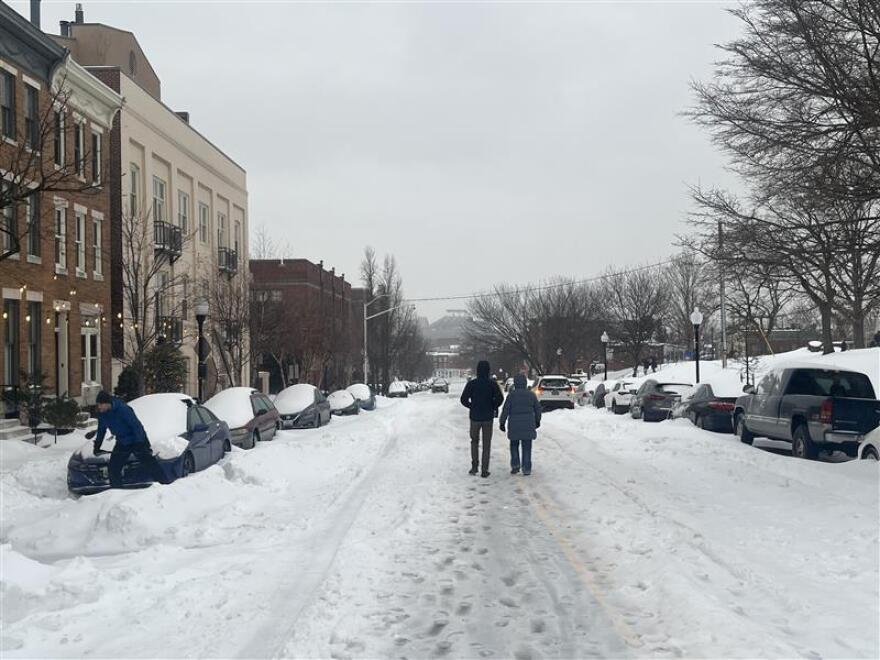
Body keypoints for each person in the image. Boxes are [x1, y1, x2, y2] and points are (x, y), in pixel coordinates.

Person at [93, 390, 165, 488]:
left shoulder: (123, 409)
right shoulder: (102, 414)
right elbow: (101, 430)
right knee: (113, 468)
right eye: (98, 404)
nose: (99, 407)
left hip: (137, 439)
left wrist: (140, 442)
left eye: (101, 404)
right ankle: (116, 492)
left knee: (149, 463)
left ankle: (165, 486)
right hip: (122, 441)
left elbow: (136, 426)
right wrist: (97, 445)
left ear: (107, 403)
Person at [460, 360, 504, 477]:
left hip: (474, 417)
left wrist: (472, 406)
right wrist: (493, 406)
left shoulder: (472, 384)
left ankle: (474, 467)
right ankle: (485, 469)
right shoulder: (492, 384)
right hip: (487, 417)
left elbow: (463, 399)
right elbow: (500, 398)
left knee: (474, 442)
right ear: (488, 370)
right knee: (486, 444)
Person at [499, 374, 542, 476]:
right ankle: (526, 468)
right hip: (528, 424)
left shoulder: (511, 396)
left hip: (514, 425)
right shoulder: (531, 395)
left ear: (515, 383)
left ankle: (515, 465)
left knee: (514, 445)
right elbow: (537, 409)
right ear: (525, 383)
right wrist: (537, 420)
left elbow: (505, 410)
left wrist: (502, 422)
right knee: (527, 446)